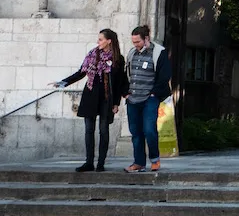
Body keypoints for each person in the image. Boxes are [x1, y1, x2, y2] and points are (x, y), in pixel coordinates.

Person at [51, 28, 128, 173]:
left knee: (104, 130)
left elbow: (119, 83)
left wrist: (116, 102)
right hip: (91, 94)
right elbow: (81, 72)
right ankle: (89, 162)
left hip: (106, 98)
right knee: (89, 130)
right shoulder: (92, 54)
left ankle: (101, 163)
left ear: (108, 41)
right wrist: (63, 82)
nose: (98, 42)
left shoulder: (118, 58)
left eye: (100, 39)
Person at [124, 24, 171, 173]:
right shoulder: (132, 53)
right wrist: (126, 92)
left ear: (146, 39)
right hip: (133, 98)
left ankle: (155, 159)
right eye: (133, 42)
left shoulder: (158, 53)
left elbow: (165, 75)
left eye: (138, 42)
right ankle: (139, 162)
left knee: (149, 130)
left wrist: (154, 93)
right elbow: (127, 73)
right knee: (135, 132)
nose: (135, 45)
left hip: (149, 98)